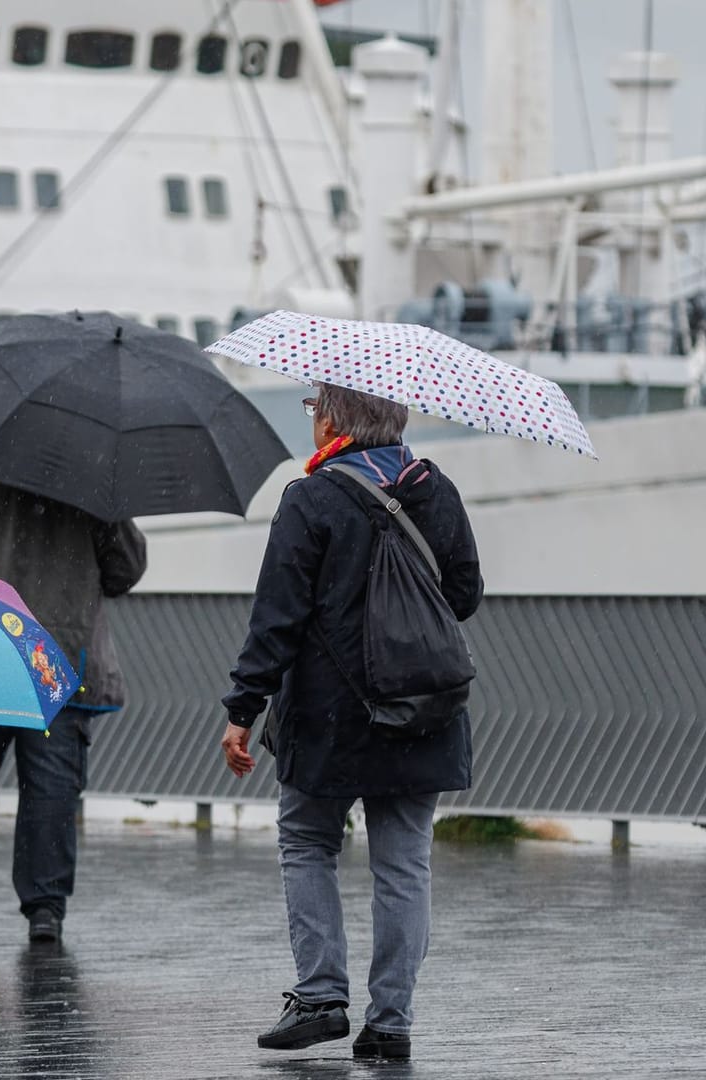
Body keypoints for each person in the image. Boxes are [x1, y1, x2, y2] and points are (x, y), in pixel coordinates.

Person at [219, 383, 483, 1062]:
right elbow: (463, 595)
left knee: (308, 841)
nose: (313, 419)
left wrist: (243, 709)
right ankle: (390, 1022)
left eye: (315, 408)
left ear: (335, 419)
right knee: (404, 864)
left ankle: (320, 996)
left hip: (329, 713)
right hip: (421, 710)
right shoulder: (435, 490)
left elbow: (277, 618)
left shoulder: (311, 498)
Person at [0, 471, 146, 944]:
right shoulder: (90, 481)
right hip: (58, 656)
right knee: (51, 789)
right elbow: (124, 571)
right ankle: (45, 907)